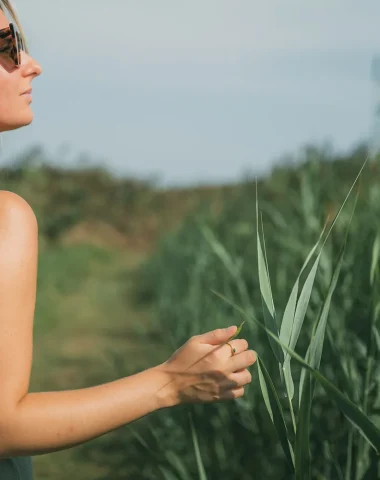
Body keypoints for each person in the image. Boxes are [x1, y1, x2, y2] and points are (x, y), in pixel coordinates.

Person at [0, 2, 257, 478]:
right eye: (7, 46)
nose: (32, 64)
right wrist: (169, 382)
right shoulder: (6, 218)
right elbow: (3, 424)